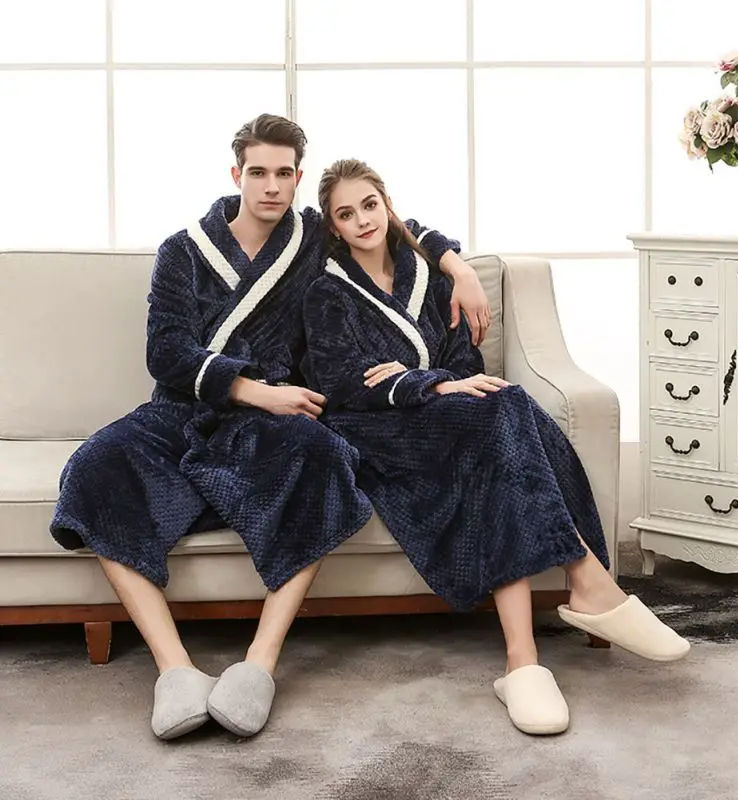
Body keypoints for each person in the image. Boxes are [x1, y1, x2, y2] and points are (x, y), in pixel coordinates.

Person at [50, 115, 490, 741]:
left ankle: (258, 664)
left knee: (326, 460)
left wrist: (460, 268)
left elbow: (394, 225)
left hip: (272, 421)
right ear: (237, 174)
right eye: (259, 172)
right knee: (94, 469)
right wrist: (254, 389)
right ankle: (174, 670)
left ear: (298, 177)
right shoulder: (183, 251)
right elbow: (166, 351)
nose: (272, 186)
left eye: (285, 173)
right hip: (185, 408)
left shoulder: (312, 240)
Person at [301, 159, 690, 737]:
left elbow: (465, 360)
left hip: (445, 418)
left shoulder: (429, 277)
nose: (362, 220)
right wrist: (427, 384)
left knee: (500, 417)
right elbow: (342, 382)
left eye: (370, 205)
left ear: (388, 204)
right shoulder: (326, 293)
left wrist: (438, 371)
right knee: (506, 407)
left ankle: (522, 661)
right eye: (345, 213)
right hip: (375, 431)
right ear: (333, 226)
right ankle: (587, 582)